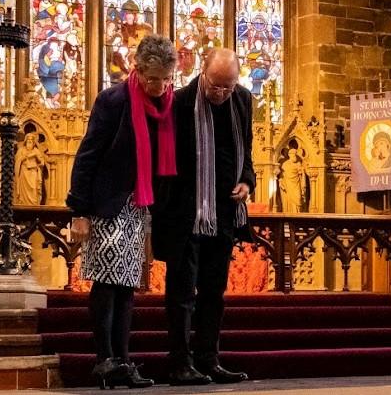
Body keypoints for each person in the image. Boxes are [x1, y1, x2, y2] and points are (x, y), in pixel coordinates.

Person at [67, 36, 180, 389]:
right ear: (138, 68)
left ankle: (123, 359)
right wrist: (80, 210)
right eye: (151, 78)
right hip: (107, 205)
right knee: (107, 283)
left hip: (138, 206)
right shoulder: (114, 100)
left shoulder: (166, 107)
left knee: (128, 285)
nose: (157, 85)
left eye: (164, 78)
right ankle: (105, 360)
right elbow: (88, 155)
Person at [152, 48, 255, 386]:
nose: (221, 94)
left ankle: (209, 360)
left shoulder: (242, 100)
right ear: (202, 73)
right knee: (181, 295)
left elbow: (246, 153)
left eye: (228, 87)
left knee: (214, 293)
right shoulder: (179, 102)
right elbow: (163, 161)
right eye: (215, 86)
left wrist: (246, 181)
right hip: (185, 216)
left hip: (224, 215)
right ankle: (180, 363)